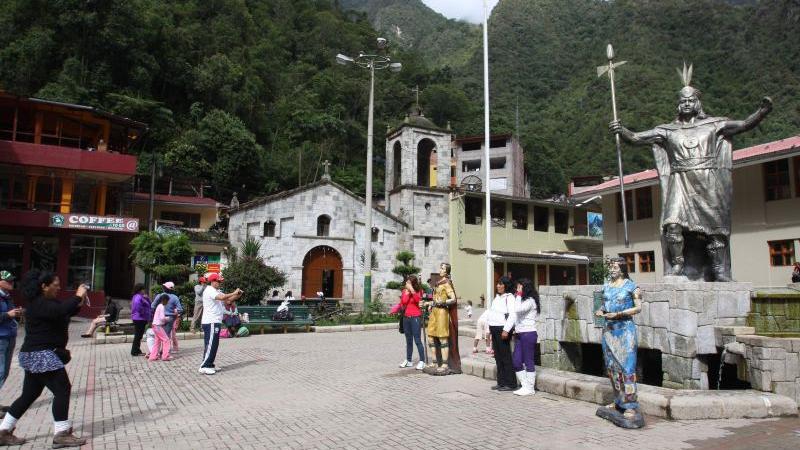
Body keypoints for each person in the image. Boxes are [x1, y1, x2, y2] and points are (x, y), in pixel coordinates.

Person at [610, 67, 771, 281]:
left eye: (690, 100)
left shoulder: (714, 124)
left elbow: (743, 125)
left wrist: (761, 112)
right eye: (683, 100)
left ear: (697, 103)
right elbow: (638, 139)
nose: (686, 104)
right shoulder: (667, 130)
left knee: (715, 228)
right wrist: (622, 130)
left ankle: (719, 269)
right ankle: (677, 265)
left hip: (706, 180)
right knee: (672, 224)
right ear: (679, 104)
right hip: (680, 180)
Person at [0, 270, 87, 446]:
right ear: (44, 286)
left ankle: (4, 431)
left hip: (35, 355)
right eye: (55, 285)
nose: (59, 287)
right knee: (63, 389)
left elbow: (63, 312)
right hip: (42, 356)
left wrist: (80, 300)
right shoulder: (38, 303)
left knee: (29, 394)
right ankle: (61, 433)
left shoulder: (47, 303)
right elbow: (61, 309)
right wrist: (77, 296)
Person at [595, 258, 643, 422]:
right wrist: (600, 311)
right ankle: (618, 401)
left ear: (622, 269)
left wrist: (618, 314)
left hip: (624, 331)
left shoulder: (631, 286)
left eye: (615, 267)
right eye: (611, 267)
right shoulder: (606, 286)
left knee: (627, 368)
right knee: (612, 367)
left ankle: (630, 405)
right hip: (608, 331)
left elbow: (638, 307)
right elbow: (604, 304)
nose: (612, 269)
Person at [421, 263, 461, 375]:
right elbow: (434, 299)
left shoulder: (447, 283)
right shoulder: (438, 283)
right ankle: (434, 362)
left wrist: (443, 302)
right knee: (430, 337)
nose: (440, 270)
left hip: (442, 313)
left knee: (443, 338)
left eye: (443, 268)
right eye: (440, 268)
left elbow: (453, 299)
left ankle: (444, 364)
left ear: (447, 271)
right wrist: (426, 303)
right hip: (434, 312)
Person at [199, 273, 242, 375]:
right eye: (218, 281)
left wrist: (237, 295)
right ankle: (204, 366)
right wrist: (233, 292)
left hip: (215, 321)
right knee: (211, 344)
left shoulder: (215, 291)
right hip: (211, 321)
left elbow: (228, 300)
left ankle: (210, 364)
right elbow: (223, 297)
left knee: (213, 344)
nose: (219, 283)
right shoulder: (209, 290)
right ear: (213, 281)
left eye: (220, 282)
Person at [486, 276, 517, 391]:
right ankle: (501, 382)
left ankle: (511, 383)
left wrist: (506, 330)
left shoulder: (509, 298)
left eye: (501, 284)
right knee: (498, 357)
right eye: (498, 284)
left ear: (506, 285)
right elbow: (491, 313)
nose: (498, 286)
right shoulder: (497, 298)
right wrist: (489, 329)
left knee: (506, 357)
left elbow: (512, 315)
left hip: (502, 329)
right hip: (494, 328)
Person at [511, 278, 539, 396]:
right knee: (516, 361)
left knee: (528, 361)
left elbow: (517, 310)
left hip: (528, 333)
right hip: (519, 334)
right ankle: (524, 385)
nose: (517, 290)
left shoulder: (531, 301)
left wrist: (518, 294)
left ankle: (530, 388)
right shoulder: (522, 300)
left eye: (520, 287)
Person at [0, 271, 20, 414]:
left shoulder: (7, 297)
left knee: (5, 372)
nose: (11, 283)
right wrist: (8, 314)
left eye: (12, 281)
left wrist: (17, 313)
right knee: (0, 372)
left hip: (10, 336)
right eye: (8, 281)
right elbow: (6, 315)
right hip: (0, 338)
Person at [397, 275, 425, 370]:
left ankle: (422, 361)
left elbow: (418, 301)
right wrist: (407, 292)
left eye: (408, 282)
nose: (406, 284)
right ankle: (408, 360)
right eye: (406, 282)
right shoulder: (404, 291)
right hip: (406, 318)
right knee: (408, 340)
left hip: (415, 317)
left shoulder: (419, 291)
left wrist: (412, 290)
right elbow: (403, 302)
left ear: (412, 284)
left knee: (417, 340)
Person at [149, 294, 172, 362]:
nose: (167, 302)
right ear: (164, 300)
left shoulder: (158, 306)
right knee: (166, 340)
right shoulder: (161, 306)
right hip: (158, 326)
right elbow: (162, 318)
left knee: (157, 341)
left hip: (154, 325)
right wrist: (167, 318)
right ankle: (165, 356)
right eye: (167, 301)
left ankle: (153, 356)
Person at [129, 284, 150, 357]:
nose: (145, 291)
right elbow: (138, 307)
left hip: (140, 318)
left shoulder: (139, 296)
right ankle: (134, 351)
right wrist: (144, 313)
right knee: (138, 335)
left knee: (139, 335)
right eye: (143, 289)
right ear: (140, 290)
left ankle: (137, 350)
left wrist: (147, 299)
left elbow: (148, 304)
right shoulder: (138, 297)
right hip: (139, 318)